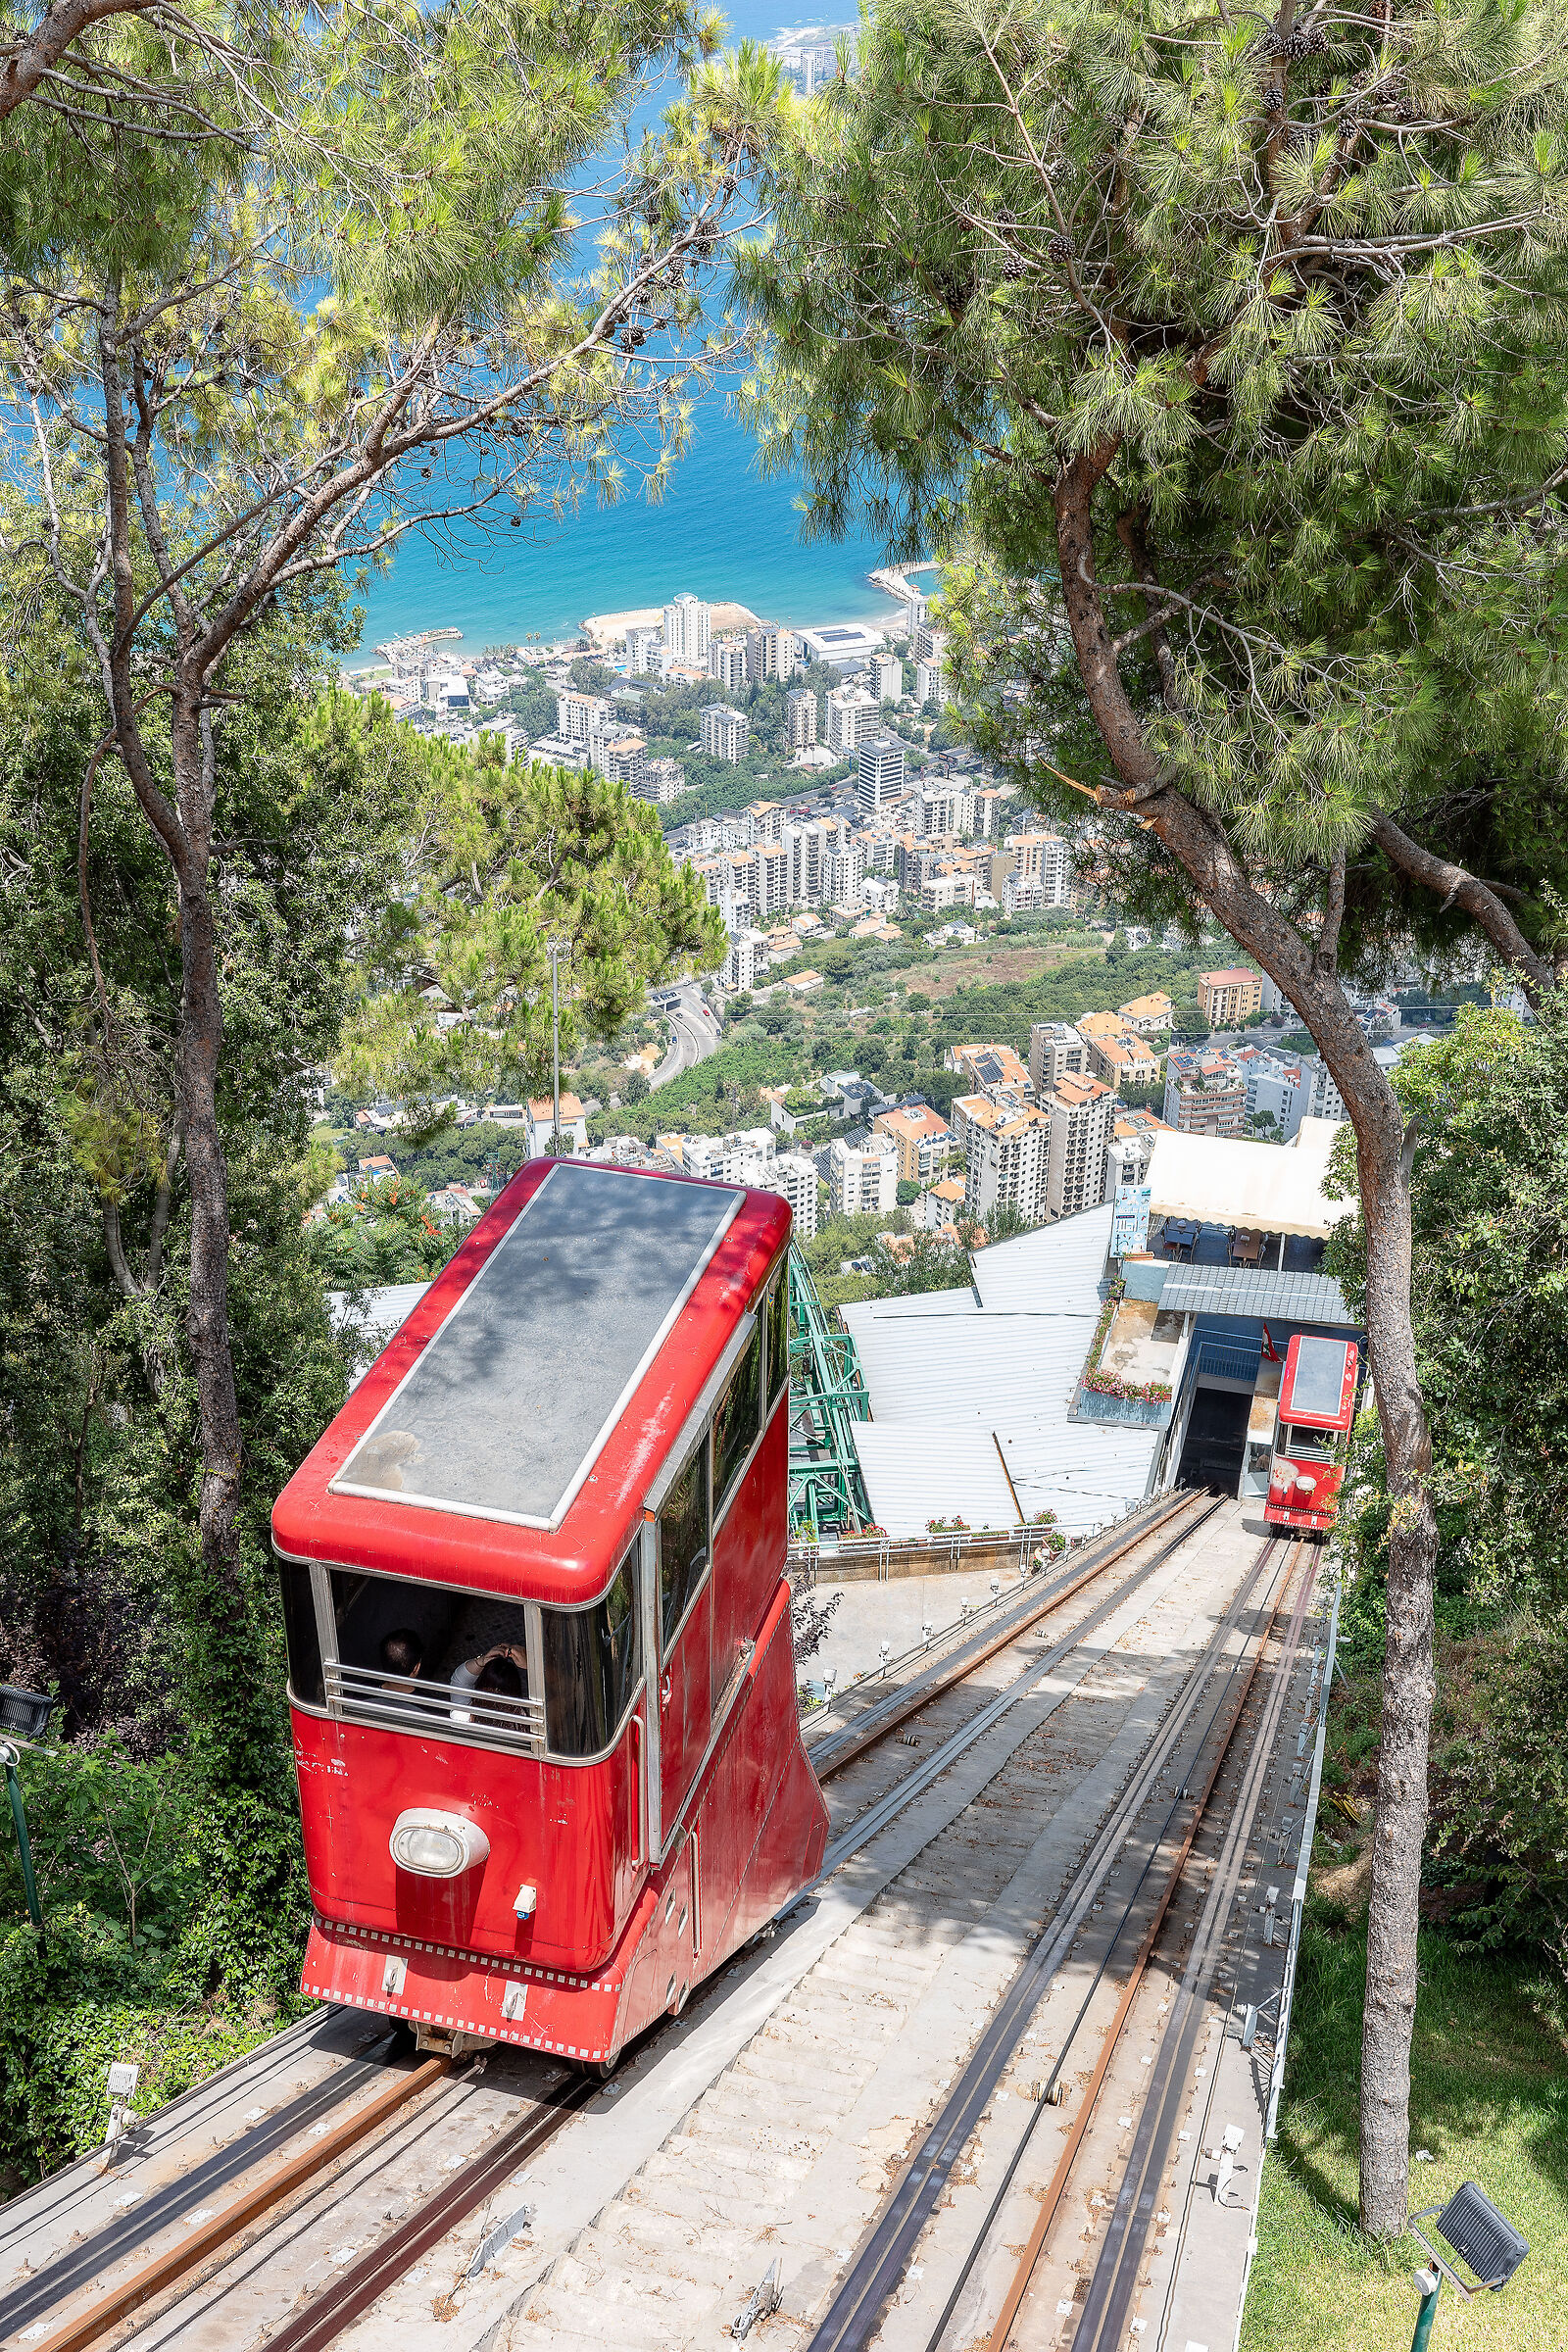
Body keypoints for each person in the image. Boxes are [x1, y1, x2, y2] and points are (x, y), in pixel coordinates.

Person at [450, 1642, 528, 1723]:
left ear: (481, 1682)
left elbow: (460, 1680)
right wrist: (530, 1665)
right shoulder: (530, 1720)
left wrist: (480, 1661)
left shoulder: (462, 1718)